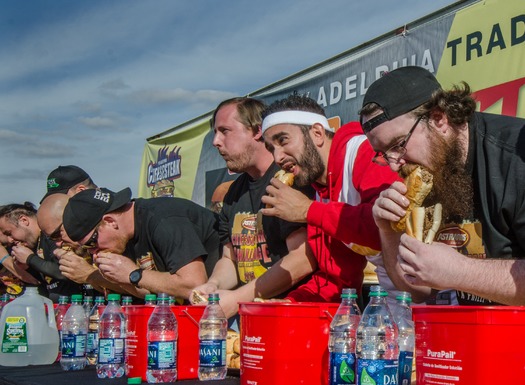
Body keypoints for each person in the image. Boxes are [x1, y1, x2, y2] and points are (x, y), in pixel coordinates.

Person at [359, 65, 525, 306]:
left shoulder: (516, 157)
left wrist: (461, 271)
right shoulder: (431, 170)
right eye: (384, 154)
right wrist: (388, 232)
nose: (395, 165)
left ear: (439, 118)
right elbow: (418, 290)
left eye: (398, 144)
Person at [260, 94, 401, 304]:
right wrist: (293, 303)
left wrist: (308, 211)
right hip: (394, 303)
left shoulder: (364, 151)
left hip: (438, 297)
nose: (277, 157)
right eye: (271, 149)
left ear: (317, 133)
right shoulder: (321, 191)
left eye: (283, 141)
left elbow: (388, 225)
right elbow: (338, 278)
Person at [191, 97, 317, 318]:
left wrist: (239, 298)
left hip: (292, 316)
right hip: (250, 316)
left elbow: (303, 258)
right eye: (215, 133)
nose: (216, 141)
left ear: (258, 131)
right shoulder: (233, 193)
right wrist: (213, 285)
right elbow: (230, 258)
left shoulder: (289, 179)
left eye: (225, 131)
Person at [62, 187, 221, 301]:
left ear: (110, 221)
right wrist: (121, 278)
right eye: (87, 249)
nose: (93, 252)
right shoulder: (124, 238)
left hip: (231, 306)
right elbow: (150, 291)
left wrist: (133, 274)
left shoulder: (163, 219)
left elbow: (194, 286)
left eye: (92, 243)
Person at [37, 193, 123, 295]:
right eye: (52, 238)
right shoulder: (81, 252)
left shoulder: (113, 242)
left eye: (57, 234)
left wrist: (90, 275)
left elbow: (139, 289)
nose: (58, 243)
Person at [0, 203, 85, 302]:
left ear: (24, 220)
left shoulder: (52, 236)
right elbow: (43, 284)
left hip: (76, 307)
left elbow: (67, 272)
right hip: (55, 307)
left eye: (9, 233)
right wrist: (27, 268)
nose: (10, 240)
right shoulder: (33, 243)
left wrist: (30, 259)